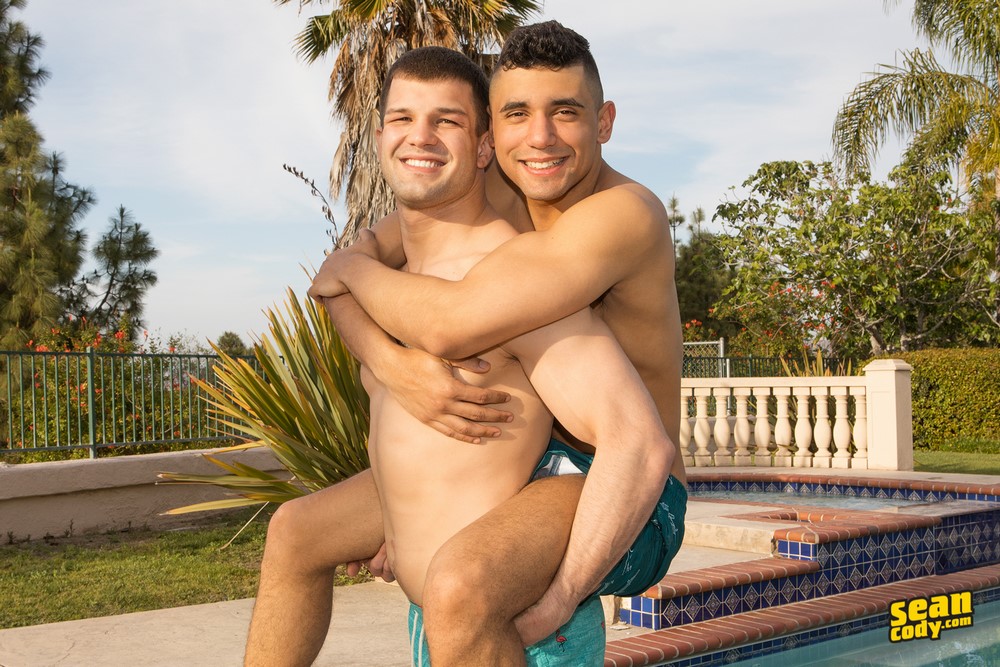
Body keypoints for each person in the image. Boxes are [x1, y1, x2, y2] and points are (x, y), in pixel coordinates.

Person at [247, 21, 687, 667]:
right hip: (540, 449)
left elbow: (448, 321)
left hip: (623, 479)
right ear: (494, 137)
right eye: (518, 114)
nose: (540, 137)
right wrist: (391, 366)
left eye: (565, 112)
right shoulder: (512, 184)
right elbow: (353, 263)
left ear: (604, 121)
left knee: (460, 581)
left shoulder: (621, 214)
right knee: (296, 531)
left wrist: (562, 594)